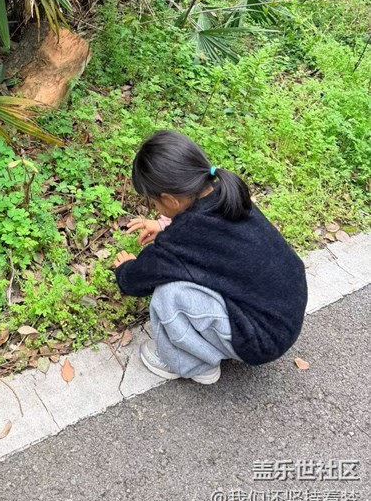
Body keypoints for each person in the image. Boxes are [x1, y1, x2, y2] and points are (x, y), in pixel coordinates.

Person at [113, 130, 308, 385]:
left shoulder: (184, 238)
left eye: (154, 202)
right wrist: (163, 226)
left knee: (168, 295)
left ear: (170, 199)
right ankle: (218, 342)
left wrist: (125, 268)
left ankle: (193, 365)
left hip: (262, 340)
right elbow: (209, 241)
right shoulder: (228, 194)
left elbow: (138, 280)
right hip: (284, 313)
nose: (155, 209)